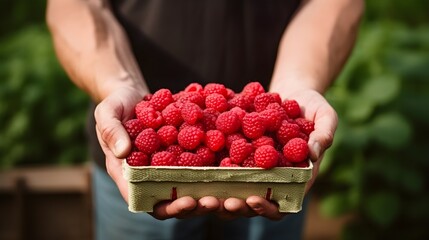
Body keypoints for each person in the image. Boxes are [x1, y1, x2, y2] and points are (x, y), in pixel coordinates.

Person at [46, 0, 364, 239]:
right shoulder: (156, 131)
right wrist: (118, 84)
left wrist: (298, 85)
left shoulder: (266, 129)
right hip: (142, 168)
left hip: (271, 178)